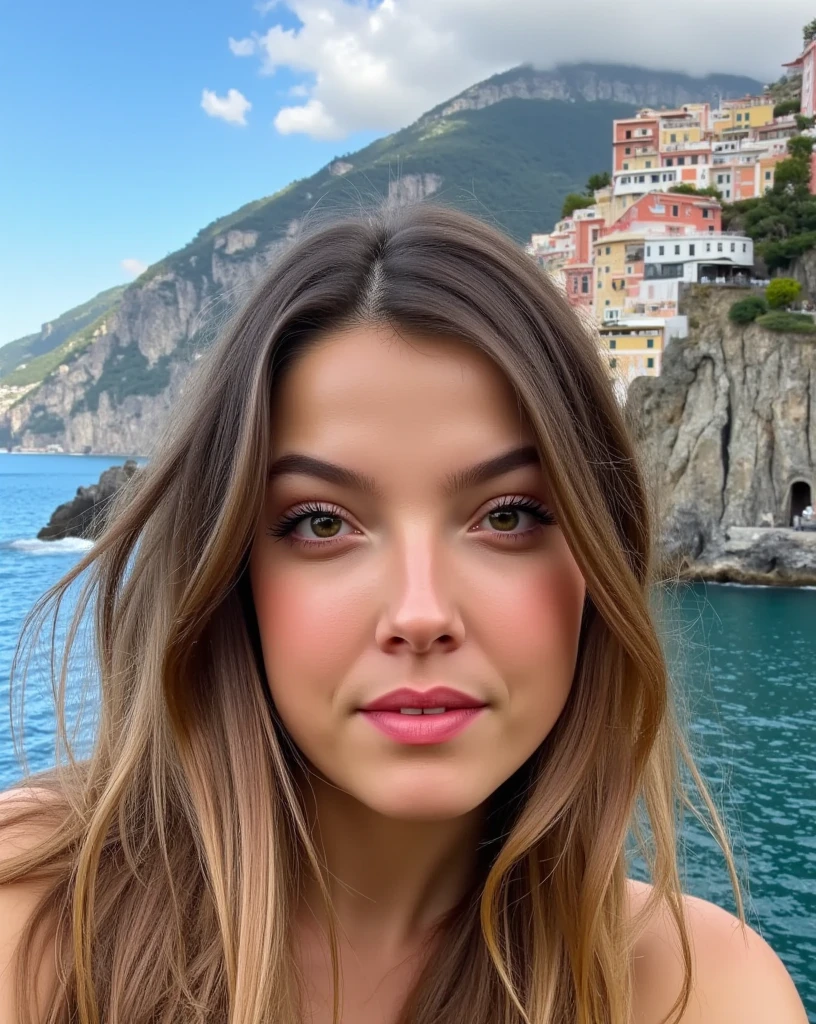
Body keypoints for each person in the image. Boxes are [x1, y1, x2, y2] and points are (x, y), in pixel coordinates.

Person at [0, 201, 808, 1024]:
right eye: (322, 523)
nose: (420, 616)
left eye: (507, 515)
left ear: (599, 561)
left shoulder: (705, 993)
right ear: (232, 570)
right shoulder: (28, 919)